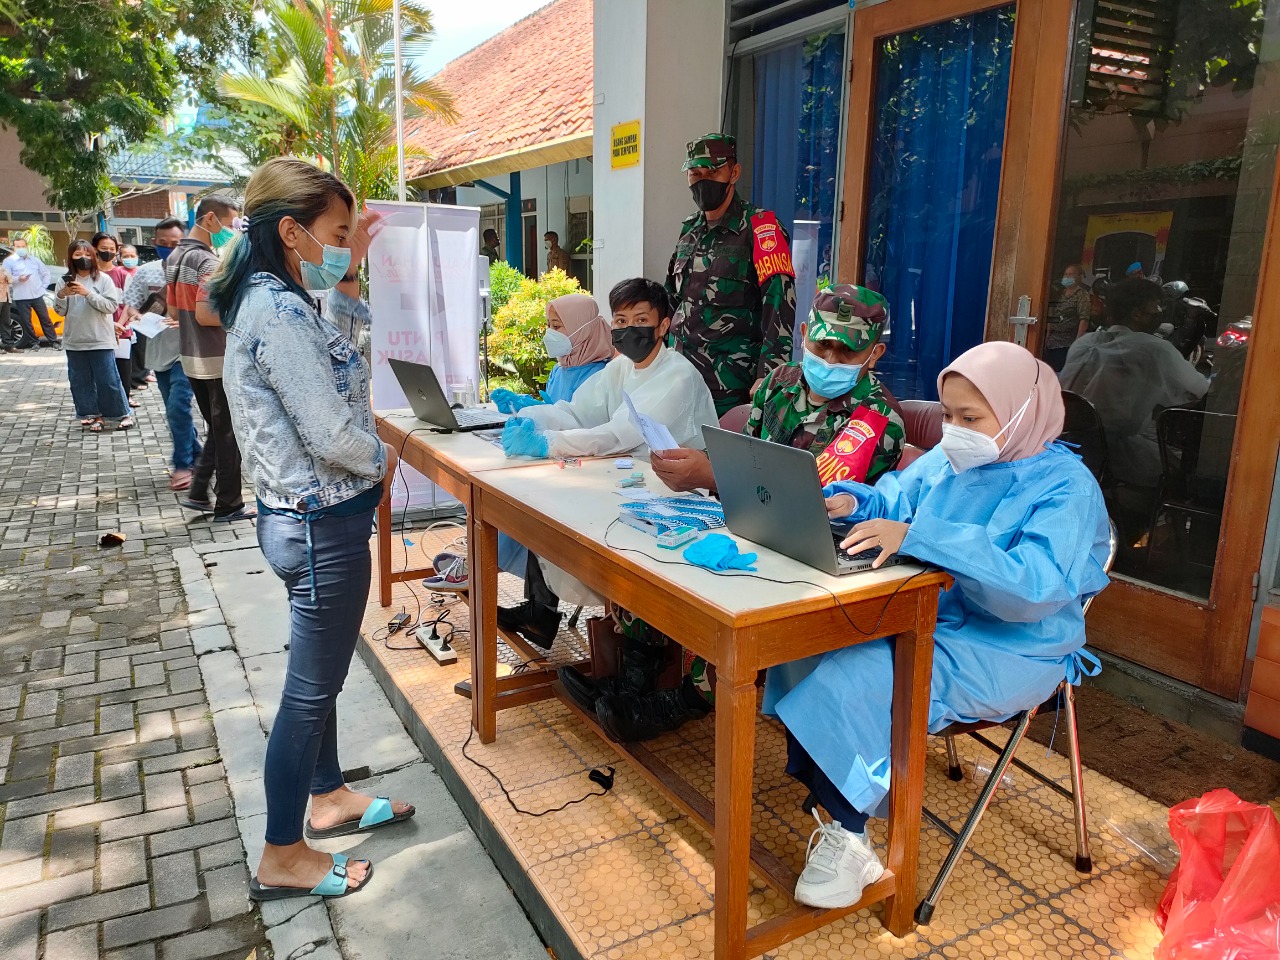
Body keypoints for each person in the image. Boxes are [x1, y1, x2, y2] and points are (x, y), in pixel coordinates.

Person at [764, 341, 1110, 910]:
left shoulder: (1065, 487)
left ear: (1022, 413)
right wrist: (851, 502)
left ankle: (850, 835)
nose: (954, 429)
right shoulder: (955, 460)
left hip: (1013, 646)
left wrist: (926, 540)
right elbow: (896, 503)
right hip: (930, 612)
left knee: (857, 672)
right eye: (949, 415)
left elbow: (1035, 590)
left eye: (970, 417)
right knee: (801, 644)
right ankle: (835, 798)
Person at [208, 156, 412, 901]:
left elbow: (335, 348)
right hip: (321, 526)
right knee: (306, 693)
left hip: (303, 522)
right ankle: (281, 854)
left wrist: (349, 269)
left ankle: (327, 796)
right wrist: (390, 456)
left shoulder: (275, 299)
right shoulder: (278, 311)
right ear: (291, 232)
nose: (345, 242)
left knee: (318, 677)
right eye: (337, 231)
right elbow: (331, 431)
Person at [580, 284, 906, 743]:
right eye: (820, 344)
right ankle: (637, 674)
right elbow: (743, 456)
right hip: (750, 521)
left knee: (721, 590)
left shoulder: (874, 418)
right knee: (652, 551)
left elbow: (809, 499)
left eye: (845, 352)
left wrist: (708, 475)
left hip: (814, 552)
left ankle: (686, 700)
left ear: (874, 353)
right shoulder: (780, 382)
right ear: (805, 335)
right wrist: (711, 477)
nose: (828, 360)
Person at [495, 277, 718, 648]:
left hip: (678, 492)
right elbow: (579, 412)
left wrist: (546, 443)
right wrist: (534, 416)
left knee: (576, 516)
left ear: (663, 326)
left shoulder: (676, 375)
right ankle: (541, 610)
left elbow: (618, 435)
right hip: (630, 479)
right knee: (546, 505)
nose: (629, 329)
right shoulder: (621, 368)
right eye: (620, 320)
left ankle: (630, 657)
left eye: (641, 319)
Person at [665, 133, 796, 416]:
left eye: (713, 171)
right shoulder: (689, 230)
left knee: (719, 458)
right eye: (695, 173)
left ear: (734, 172)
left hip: (730, 382)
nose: (703, 181)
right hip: (678, 377)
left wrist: (769, 374)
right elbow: (672, 300)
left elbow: (779, 306)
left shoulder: (762, 228)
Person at [1059, 278, 1208, 488]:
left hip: (1069, 447)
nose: (1159, 311)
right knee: (1187, 475)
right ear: (1137, 313)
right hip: (1115, 456)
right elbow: (1200, 391)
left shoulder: (1085, 342)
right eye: (1156, 306)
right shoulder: (1154, 349)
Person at [168, 194, 256, 522]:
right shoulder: (206, 262)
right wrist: (244, 313)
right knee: (227, 433)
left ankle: (199, 492)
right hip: (217, 358)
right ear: (209, 220)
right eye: (229, 223)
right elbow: (207, 316)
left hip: (192, 356)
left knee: (219, 431)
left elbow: (175, 310)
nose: (231, 232)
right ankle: (229, 504)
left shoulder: (176, 255)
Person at [122, 219, 195, 488]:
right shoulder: (146, 272)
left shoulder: (195, 270)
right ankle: (196, 454)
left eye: (175, 244)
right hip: (157, 350)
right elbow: (131, 306)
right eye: (163, 244)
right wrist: (135, 316)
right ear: (155, 244)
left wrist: (187, 320)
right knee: (175, 410)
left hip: (188, 351)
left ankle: (183, 465)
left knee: (178, 406)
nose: (168, 249)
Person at [55, 240, 130, 432]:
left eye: (87, 254)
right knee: (80, 381)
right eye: (78, 255)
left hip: (100, 339)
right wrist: (62, 295)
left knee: (108, 380)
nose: (83, 258)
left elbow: (111, 306)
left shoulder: (103, 280)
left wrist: (88, 293)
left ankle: (122, 413)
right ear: (70, 257)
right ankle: (94, 415)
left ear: (93, 256)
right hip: (74, 341)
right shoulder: (64, 280)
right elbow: (60, 311)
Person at [93, 233, 135, 405]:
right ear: (95, 249)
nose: (108, 252)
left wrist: (119, 324)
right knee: (101, 372)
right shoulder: (90, 275)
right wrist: (110, 325)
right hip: (97, 330)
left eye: (112, 249)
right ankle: (102, 407)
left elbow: (130, 303)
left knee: (123, 372)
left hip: (122, 331)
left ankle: (124, 406)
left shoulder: (123, 274)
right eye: (104, 249)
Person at [4, 234, 58, 348]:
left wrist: (43, 288)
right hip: (21, 297)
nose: (21, 249)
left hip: (37, 295)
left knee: (45, 318)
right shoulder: (9, 262)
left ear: (26, 246)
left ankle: (53, 341)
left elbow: (46, 273)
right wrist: (19, 278)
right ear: (13, 247)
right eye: (18, 247)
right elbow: (6, 278)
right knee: (26, 321)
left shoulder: (34, 260)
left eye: (23, 246)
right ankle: (34, 342)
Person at [1043, 263, 1090, 371]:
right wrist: (1047, 336)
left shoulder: (1082, 295)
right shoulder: (1060, 293)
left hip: (1067, 344)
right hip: (1052, 342)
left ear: (1078, 277)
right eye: (1066, 274)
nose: (1067, 277)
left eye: (1071, 274)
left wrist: (1076, 344)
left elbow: (1084, 320)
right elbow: (1052, 314)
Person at [0, 260, 13, 353]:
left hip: (6, 298)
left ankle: (8, 345)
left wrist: (5, 272)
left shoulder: (2, 268)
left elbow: (11, 280)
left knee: (6, 322)